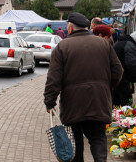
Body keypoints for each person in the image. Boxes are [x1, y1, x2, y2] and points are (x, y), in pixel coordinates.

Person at [44, 12, 123, 162]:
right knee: (98, 138)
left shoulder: (62, 46)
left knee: (76, 142)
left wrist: (50, 101)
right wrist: (106, 87)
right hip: (99, 101)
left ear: (70, 28)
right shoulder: (104, 44)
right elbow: (118, 71)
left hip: (74, 104)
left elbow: (53, 78)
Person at [112, 33, 136, 106]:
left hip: (117, 77)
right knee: (126, 103)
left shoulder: (120, 42)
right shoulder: (129, 45)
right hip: (123, 79)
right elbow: (132, 63)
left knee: (117, 103)